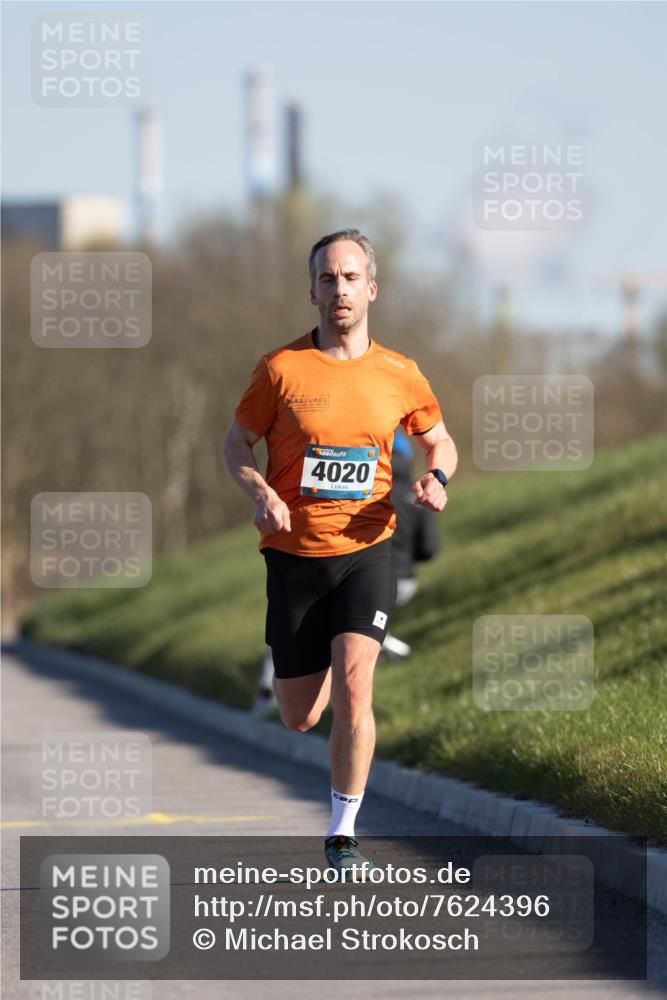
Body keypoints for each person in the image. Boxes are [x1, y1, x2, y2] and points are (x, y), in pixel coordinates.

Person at [222, 228, 457, 878]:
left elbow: (442, 443)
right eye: (327, 279)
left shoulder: (398, 373)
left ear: (370, 289)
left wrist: (435, 480)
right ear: (312, 292)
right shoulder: (281, 371)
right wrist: (261, 490)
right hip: (294, 555)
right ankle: (320, 658)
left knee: (357, 689)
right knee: (300, 717)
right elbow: (235, 444)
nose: (339, 290)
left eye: (350, 277)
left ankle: (342, 831)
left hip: (367, 549)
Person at [382, 426, 441, 660]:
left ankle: (385, 645)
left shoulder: (367, 495)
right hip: (404, 583)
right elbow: (429, 549)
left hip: (367, 576)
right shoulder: (417, 495)